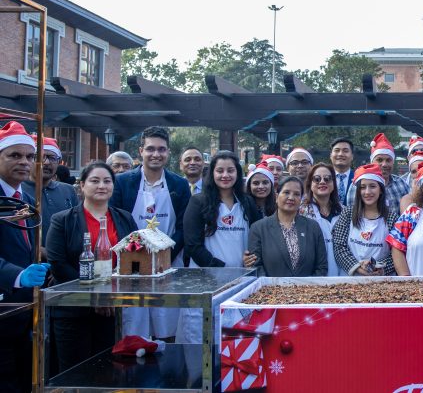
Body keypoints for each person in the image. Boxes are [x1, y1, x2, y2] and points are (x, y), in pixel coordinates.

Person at [46, 162, 137, 372]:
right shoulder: (63, 220)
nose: (101, 186)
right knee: (74, 372)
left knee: (107, 370)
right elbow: (58, 264)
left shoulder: (124, 217)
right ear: (82, 185)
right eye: (94, 181)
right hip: (72, 309)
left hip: (112, 310)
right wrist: (94, 296)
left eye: (107, 181)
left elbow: (133, 257)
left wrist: (110, 296)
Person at [110, 126, 191, 340]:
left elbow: (184, 227)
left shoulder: (180, 184)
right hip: (132, 266)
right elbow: (115, 222)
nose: (156, 154)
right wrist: (136, 257)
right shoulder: (122, 182)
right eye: (151, 149)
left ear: (168, 153)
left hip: (169, 265)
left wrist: (164, 258)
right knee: (134, 323)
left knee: (166, 322)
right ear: (141, 151)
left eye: (162, 150)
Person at [178, 151, 261, 343]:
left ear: (238, 173)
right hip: (205, 282)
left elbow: (257, 236)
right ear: (212, 174)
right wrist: (220, 269)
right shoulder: (199, 201)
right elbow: (192, 244)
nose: (225, 175)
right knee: (200, 338)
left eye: (231, 170)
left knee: (234, 341)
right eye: (220, 171)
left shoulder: (246, 202)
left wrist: (253, 257)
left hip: (240, 283)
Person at [0, 121, 51, 391]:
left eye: (30, 156)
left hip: (24, 313)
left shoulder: (27, 198)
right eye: (14, 155)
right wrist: (17, 275)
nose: (24, 162)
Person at [245, 176, 327, 277]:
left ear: (301, 199)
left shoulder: (313, 227)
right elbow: (255, 266)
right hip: (270, 290)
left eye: (297, 194)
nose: (291, 197)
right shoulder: (258, 228)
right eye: (286, 192)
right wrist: (273, 290)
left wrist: (307, 290)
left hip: (308, 290)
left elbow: (321, 267)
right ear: (276, 197)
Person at [333, 164, 398, 276]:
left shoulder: (391, 218)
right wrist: (357, 267)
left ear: (381, 190)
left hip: (381, 280)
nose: (367, 192)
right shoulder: (348, 213)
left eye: (372, 186)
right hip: (349, 279)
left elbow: (397, 253)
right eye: (363, 187)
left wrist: (380, 268)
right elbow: (339, 246)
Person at [23, 136, 78, 246]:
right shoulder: (18, 190)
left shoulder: (68, 190)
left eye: (52, 158)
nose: (47, 162)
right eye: (40, 157)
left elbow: (77, 226)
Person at [345, 133, 410, 211]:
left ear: (393, 162)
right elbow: (352, 214)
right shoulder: (356, 186)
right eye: (379, 160)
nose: (384, 164)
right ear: (372, 162)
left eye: (388, 160)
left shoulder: (401, 184)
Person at [299, 163, 342, 277]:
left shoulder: (345, 212)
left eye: (327, 178)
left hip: (343, 275)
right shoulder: (300, 212)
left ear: (333, 183)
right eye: (317, 179)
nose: (322, 182)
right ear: (310, 184)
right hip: (313, 276)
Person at [330, 138, 355, 205]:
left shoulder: (359, 179)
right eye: (337, 150)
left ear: (352, 156)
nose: (340, 154)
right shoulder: (323, 179)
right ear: (331, 155)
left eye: (345, 151)